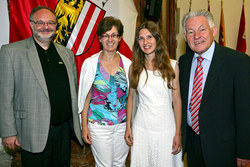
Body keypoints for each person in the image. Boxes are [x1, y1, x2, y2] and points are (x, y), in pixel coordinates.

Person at [0, 6, 83, 167]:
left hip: (63, 131)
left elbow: (73, 90)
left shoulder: (67, 54)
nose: (46, 27)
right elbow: (4, 95)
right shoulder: (11, 52)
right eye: (40, 22)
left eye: (51, 23)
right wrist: (8, 132)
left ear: (56, 26)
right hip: (32, 131)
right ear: (31, 24)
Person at [179, 9, 250, 167]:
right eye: (191, 32)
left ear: (214, 30)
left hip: (224, 149)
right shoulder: (183, 62)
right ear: (185, 37)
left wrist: (244, 152)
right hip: (192, 146)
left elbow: (245, 111)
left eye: (202, 29)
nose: (196, 36)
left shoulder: (238, 62)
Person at [125, 21, 183, 167]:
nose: (146, 42)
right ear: (137, 42)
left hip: (166, 129)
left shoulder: (172, 66)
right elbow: (131, 98)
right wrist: (128, 127)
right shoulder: (134, 68)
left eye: (149, 37)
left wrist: (178, 132)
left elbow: (176, 101)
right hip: (141, 128)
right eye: (141, 38)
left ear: (157, 39)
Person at [78, 16, 131, 167]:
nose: (110, 39)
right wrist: (84, 127)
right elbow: (84, 98)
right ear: (100, 39)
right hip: (98, 125)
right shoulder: (90, 64)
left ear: (120, 38)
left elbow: (131, 98)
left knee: (119, 164)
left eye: (114, 35)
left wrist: (129, 125)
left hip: (122, 126)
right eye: (105, 35)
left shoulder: (128, 64)